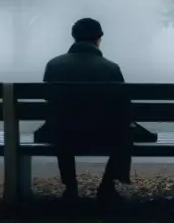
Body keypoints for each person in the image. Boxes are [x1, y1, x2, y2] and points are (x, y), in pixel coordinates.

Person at [33, 18, 132, 203]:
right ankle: (107, 186)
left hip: (61, 133)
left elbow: (49, 100)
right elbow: (123, 104)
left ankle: (70, 187)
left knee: (62, 122)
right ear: (98, 39)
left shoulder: (54, 65)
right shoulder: (110, 68)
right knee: (125, 134)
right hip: (102, 134)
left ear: (74, 38)